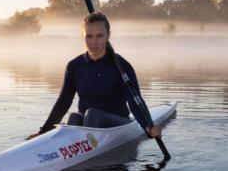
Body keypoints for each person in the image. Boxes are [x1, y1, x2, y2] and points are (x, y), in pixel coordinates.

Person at [27, 12, 162, 140]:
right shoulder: (74, 66)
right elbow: (63, 103)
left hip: (118, 124)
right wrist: (43, 132)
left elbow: (135, 102)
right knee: (74, 117)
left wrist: (148, 127)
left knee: (92, 114)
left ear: (108, 35)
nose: (94, 42)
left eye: (99, 36)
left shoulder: (122, 66)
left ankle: (81, 150)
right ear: (82, 36)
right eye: (89, 36)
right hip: (88, 123)